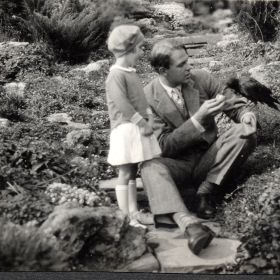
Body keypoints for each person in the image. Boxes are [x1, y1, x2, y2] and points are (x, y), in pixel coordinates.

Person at [140, 40, 257, 255]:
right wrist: (197, 119)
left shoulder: (201, 78)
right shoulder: (147, 98)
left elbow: (231, 101)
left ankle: (206, 192)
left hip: (210, 158)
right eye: (181, 64)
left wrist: (245, 114)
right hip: (177, 165)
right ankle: (189, 224)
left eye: (188, 61)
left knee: (244, 132)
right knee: (148, 166)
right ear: (162, 70)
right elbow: (163, 146)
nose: (188, 67)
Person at [105, 25, 161, 229]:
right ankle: (125, 216)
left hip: (137, 127)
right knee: (125, 172)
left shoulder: (130, 72)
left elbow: (141, 100)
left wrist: (149, 117)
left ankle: (133, 212)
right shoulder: (116, 75)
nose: (142, 51)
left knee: (132, 170)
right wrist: (141, 123)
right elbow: (122, 104)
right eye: (140, 47)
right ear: (130, 49)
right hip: (126, 129)